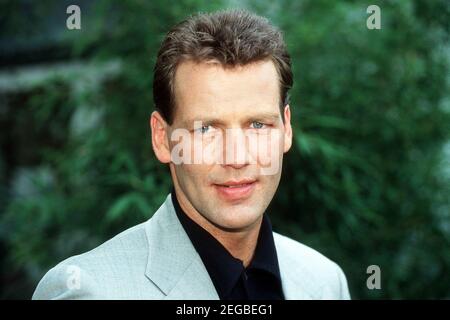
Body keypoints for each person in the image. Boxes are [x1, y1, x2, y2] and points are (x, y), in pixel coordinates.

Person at [33, 9, 350, 300]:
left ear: (286, 129)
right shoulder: (87, 290)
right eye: (206, 129)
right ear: (162, 138)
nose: (236, 157)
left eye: (257, 124)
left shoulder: (323, 281)